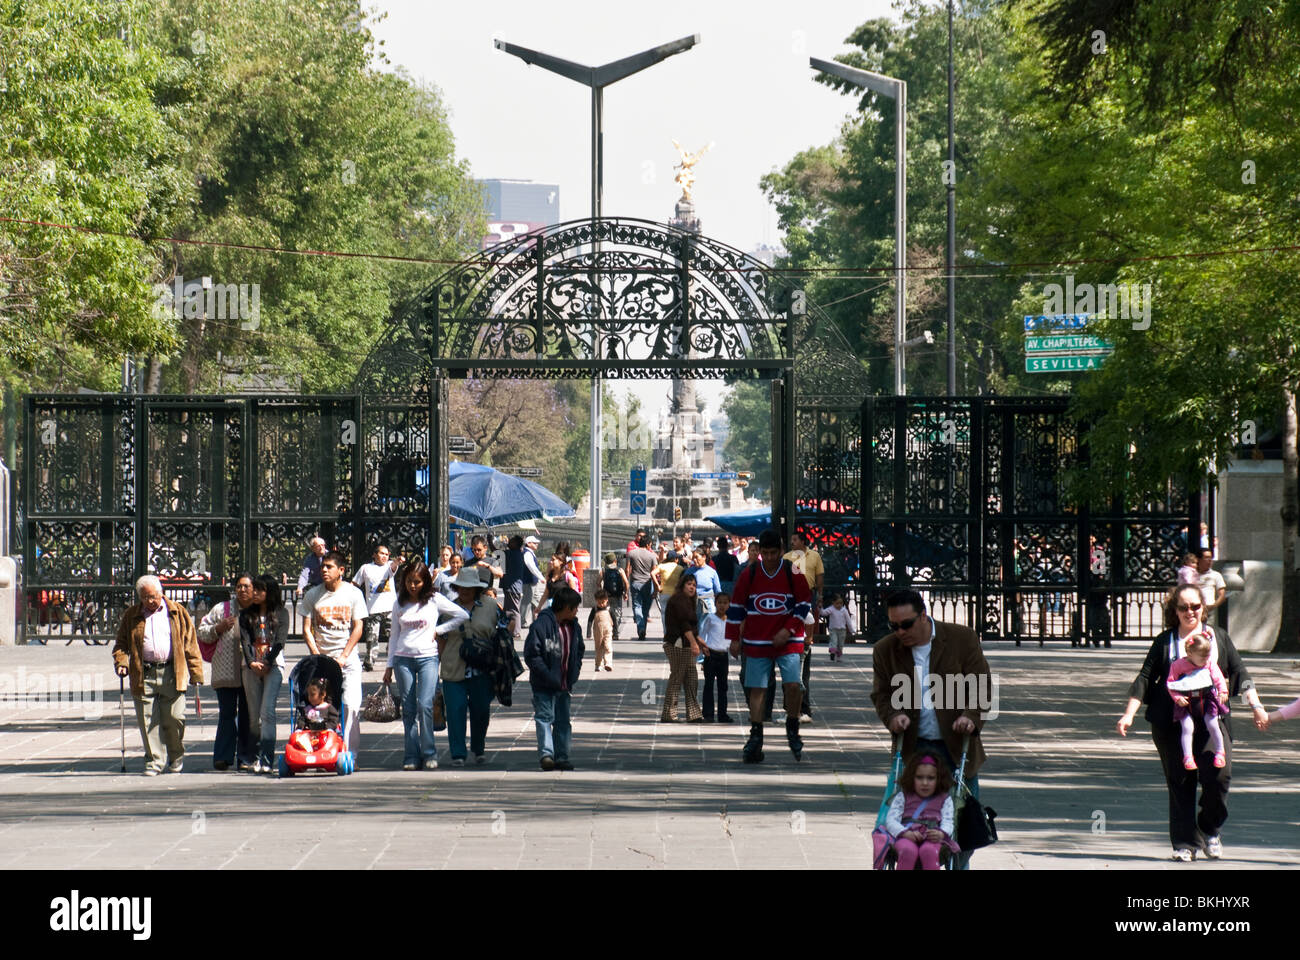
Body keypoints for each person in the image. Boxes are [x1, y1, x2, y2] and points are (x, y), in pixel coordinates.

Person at [1117, 584, 1268, 861]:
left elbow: (1240, 672)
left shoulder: (1218, 638)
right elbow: (1145, 678)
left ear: (1204, 608)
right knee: (1181, 781)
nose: (1190, 612)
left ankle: (1210, 829)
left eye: (1195, 607)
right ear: (1175, 611)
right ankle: (1185, 844)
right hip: (1173, 722)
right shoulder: (1166, 642)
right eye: (1184, 607)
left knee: (1219, 776)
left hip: (1212, 717)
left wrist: (1256, 706)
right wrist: (1129, 713)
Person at [870, 588, 991, 868]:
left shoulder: (961, 639)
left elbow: (982, 685)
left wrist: (970, 716)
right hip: (913, 748)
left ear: (924, 616)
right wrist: (892, 716)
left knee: (960, 829)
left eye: (907, 624)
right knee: (897, 822)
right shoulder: (885, 650)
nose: (900, 632)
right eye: (894, 626)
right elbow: (881, 695)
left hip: (957, 746)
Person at [726, 529, 812, 763]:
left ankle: (792, 727)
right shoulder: (750, 573)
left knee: (793, 685)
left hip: (789, 639)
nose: (771, 557)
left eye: (775, 553)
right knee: (757, 689)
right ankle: (756, 735)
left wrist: (789, 628)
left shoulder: (792, 570)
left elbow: (804, 602)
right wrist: (734, 638)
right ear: (760, 552)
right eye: (766, 553)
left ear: (782, 551)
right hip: (758, 639)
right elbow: (736, 607)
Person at [112, 575, 205, 775]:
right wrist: (121, 663)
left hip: (172, 671)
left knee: (175, 717)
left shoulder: (177, 612)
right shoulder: (132, 615)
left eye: (153, 596)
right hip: (143, 672)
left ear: (161, 593)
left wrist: (196, 673)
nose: (150, 601)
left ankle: (176, 754)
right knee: (148, 721)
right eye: (145, 598)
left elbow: (190, 644)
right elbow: (121, 645)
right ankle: (154, 761)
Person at [382, 560, 468, 770]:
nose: (413, 586)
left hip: (428, 658)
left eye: (417, 582)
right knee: (409, 708)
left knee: (425, 705)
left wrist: (439, 630)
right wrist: (389, 666)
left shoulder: (434, 600)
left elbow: (462, 615)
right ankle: (411, 755)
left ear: (426, 582)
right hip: (403, 659)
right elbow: (394, 636)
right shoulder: (399, 604)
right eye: (409, 581)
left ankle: (429, 752)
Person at [301, 552, 368, 754]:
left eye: (329, 567)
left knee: (351, 705)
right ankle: (323, 751)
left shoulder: (353, 593)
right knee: (321, 708)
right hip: (322, 662)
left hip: (347, 660)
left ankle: (350, 753)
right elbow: (306, 628)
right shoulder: (313, 594)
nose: (324, 570)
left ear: (341, 570)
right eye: (323, 566)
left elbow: (358, 628)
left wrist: (344, 656)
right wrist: (316, 654)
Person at [437, 567, 499, 766]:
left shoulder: (490, 606)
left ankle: (478, 748)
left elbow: (506, 627)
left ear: (476, 589)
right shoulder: (447, 608)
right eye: (461, 587)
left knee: (481, 710)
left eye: (469, 588)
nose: (464, 591)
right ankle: (458, 753)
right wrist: (438, 661)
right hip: (453, 666)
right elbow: (440, 637)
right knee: (455, 710)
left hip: (482, 668)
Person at [196, 573, 255, 771]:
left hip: (251, 671)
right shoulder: (222, 609)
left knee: (248, 714)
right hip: (226, 670)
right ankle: (223, 756)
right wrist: (218, 628)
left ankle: (246, 758)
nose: (243, 590)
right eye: (239, 586)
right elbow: (202, 631)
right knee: (227, 713)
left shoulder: (258, 609)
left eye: (247, 586)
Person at [524, 586, 584, 771]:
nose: (576, 612)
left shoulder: (574, 627)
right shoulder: (541, 625)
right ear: (566, 607)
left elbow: (579, 650)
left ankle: (562, 756)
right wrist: (547, 675)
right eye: (575, 608)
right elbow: (532, 654)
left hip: (564, 684)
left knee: (563, 721)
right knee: (544, 717)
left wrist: (575, 672)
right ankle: (547, 755)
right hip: (544, 684)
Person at [240, 575, 288, 774]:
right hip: (251, 667)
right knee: (254, 716)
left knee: (267, 712)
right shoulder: (246, 615)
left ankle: (268, 758)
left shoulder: (281, 613)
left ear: (270, 592)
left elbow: (280, 641)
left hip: (274, 666)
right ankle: (254, 756)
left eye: (260, 590)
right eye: (255, 590)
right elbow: (244, 641)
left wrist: (267, 661)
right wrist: (252, 662)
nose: (255, 593)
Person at [884, 753, 959, 871]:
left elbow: (948, 822)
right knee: (908, 851)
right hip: (906, 836)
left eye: (930, 778)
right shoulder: (903, 796)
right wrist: (904, 833)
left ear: (939, 779)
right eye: (919, 777)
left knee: (929, 851)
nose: (925, 783)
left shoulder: (944, 799)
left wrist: (941, 833)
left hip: (932, 837)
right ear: (912, 777)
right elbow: (891, 820)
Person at [1168, 630, 1229, 770]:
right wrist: (1177, 698)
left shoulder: (1209, 663)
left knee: (1213, 724)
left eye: (1207, 656)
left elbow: (1218, 678)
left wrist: (1223, 691)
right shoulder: (1178, 665)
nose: (1205, 660)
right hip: (1186, 700)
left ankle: (1220, 752)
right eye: (1202, 657)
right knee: (1187, 727)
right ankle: (1188, 756)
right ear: (1189, 654)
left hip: (1206, 698)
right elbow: (1170, 684)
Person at [785, 531, 824, 723]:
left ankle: (800, 708)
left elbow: (819, 576)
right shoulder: (786, 558)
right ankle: (792, 708)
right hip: (791, 597)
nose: (792, 542)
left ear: (802, 541)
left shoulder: (814, 556)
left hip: (808, 594)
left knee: (799, 672)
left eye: (794, 539)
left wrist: (820, 594)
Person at [661, 576, 705, 723]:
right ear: (682, 585)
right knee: (677, 678)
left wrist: (701, 643)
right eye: (689, 584)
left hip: (686, 643)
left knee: (691, 678)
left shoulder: (688, 601)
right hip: (677, 644)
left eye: (694, 585)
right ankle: (669, 713)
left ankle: (694, 713)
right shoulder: (679, 600)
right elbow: (684, 625)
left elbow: (692, 627)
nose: (692, 587)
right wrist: (694, 643)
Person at [353, 543, 400, 671]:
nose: (384, 556)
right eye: (381, 553)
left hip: (390, 608)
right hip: (373, 609)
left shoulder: (389, 567)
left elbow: (394, 566)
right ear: (374, 555)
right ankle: (369, 662)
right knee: (371, 638)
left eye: (386, 554)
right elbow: (355, 584)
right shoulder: (366, 568)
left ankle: (393, 661)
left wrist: (397, 561)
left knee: (393, 635)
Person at [500, 535, 540, 642]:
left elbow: (496, 552)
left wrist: (490, 540)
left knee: (514, 610)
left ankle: (516, 632)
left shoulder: (513, 554)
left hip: (513, 587)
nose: (509, 542)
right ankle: (508, 629)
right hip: (512, 586)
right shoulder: (518, 553)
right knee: (509, 609)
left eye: (511, 541)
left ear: (516, 544)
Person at [700, 592, 732, 723]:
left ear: (729, 605)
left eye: (725, 603)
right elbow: (702, 634)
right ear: (715, 603)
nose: (722, 605)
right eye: (720, 602)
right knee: (709, 685)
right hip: (711, 655)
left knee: (723, 686)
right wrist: (704, 648)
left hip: (723, 655)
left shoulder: (731, 620)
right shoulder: (710, 618)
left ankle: (722, 714)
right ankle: (708, 714)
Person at [291, 678, 340, 754]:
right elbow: (302, 719)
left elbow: (334, 720)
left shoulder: (328, 708)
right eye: (308, 695)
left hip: (324, 734)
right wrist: (300, 728)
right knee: (298, 738)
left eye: (312, 695)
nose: (310, 698)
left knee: (331, 737)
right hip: (310, 734)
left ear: (323, 694)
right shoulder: (307, 709)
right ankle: (306, 750)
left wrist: (328, 728)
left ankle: (326, 752)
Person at [625, 534, 658, 640]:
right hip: (648, 584)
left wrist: (626, 583)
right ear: (648, 544)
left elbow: (627, 569)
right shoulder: (652, 556)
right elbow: (654, 572)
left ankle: (641, 628)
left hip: (635, 583)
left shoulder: (631, 553)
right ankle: (643, 628)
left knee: (637, 606)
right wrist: (656, 589)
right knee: (645, 608)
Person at [652, 549, 686, 628]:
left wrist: (657, 586)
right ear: (676, 559)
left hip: (664, 593)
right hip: (676, 594)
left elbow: (652, 573)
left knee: (664, 614)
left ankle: (666, 633)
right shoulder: (680, 568)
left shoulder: (662, 566)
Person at [600, 552, 629, 642]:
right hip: (617, 595)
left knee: (608, 612)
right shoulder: (620, 570)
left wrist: (602, 592)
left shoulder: (603, 570)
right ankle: (615, 630)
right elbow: (626, 583)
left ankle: (610, 630)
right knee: (617, 613)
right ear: (615, 561)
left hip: (607, 595)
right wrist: (625, 593)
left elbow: (598, 583)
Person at [690, 546, 723, 623]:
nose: (694, 560)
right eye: (693, 558)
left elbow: (718, 591)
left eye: (696, 557)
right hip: (692, 605)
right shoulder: (689, 572)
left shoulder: (712, 572)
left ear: (704, 557)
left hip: (708, 605)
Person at [1195, 548, 1226, 626]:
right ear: (1198, 559)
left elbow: (1222, 595)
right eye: (1206, 557)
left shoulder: (1216, 575)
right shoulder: (1191, 575)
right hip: (1194, 609)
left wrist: (1213, 606)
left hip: (1209, 611)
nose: (1209, 560)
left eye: (1210, 558)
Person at [520, 536, 545, 631]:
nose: (536, 544)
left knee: (536, 601)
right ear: (529, 543)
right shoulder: (527, 553)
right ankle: (524, 622)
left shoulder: (529, 553)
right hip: (529, 582)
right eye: (534, 543)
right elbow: (532, 567)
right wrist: (541, 577)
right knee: (527, 602)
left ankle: (537, 619)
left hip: (532, 581)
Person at [588, 589, 614, 672]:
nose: (601, 604)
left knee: (608, 647)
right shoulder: (595, 609)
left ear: (607, 600)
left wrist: (616, 632)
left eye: (603, 602)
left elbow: (615, 620)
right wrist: (589, 632)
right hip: (597, 631)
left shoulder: (609, 609)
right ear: (596, 601)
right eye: (599, 602)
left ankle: (608, 663)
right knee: (598, 648)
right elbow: (590, 620)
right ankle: (598, 664)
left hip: (608, 631)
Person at [826, 593, 852, 661]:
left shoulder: (844, 610)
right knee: (834, 641)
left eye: (841, 603)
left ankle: (839, 656)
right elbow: (824, 613)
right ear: (833, 603)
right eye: (837, 603)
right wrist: (820, 608)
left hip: (842, 630)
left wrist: (851, 629)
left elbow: (848, 620)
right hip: (833, 629)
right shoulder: (831, 609)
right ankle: (832, 652)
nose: (839, 605)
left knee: (840, 644)